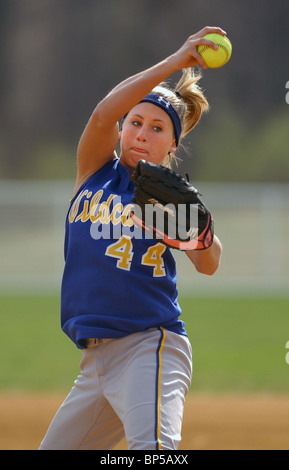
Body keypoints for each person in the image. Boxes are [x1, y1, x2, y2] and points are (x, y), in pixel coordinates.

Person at [39, 26, 223, 451]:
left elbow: (210, 262)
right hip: (94, 361)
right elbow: (104, 112)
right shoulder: (94, 172)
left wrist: (201, 234)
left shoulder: (172, 200)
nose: (142, 132)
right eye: (135, 122)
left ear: (173, 144)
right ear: (122, 129)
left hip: (149, 348)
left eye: (157, 128)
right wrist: (177, 60)